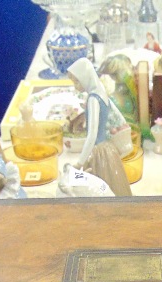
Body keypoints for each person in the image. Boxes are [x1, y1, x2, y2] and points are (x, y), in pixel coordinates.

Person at [66, 58, 133, 198]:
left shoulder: (93, 99)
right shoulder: (101, 93)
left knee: (98, 187)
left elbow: (92, 135)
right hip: (107, 149)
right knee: (113, 187)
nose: (76, 86)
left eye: (77, 81)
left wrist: (80, 162)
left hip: (98, 152)